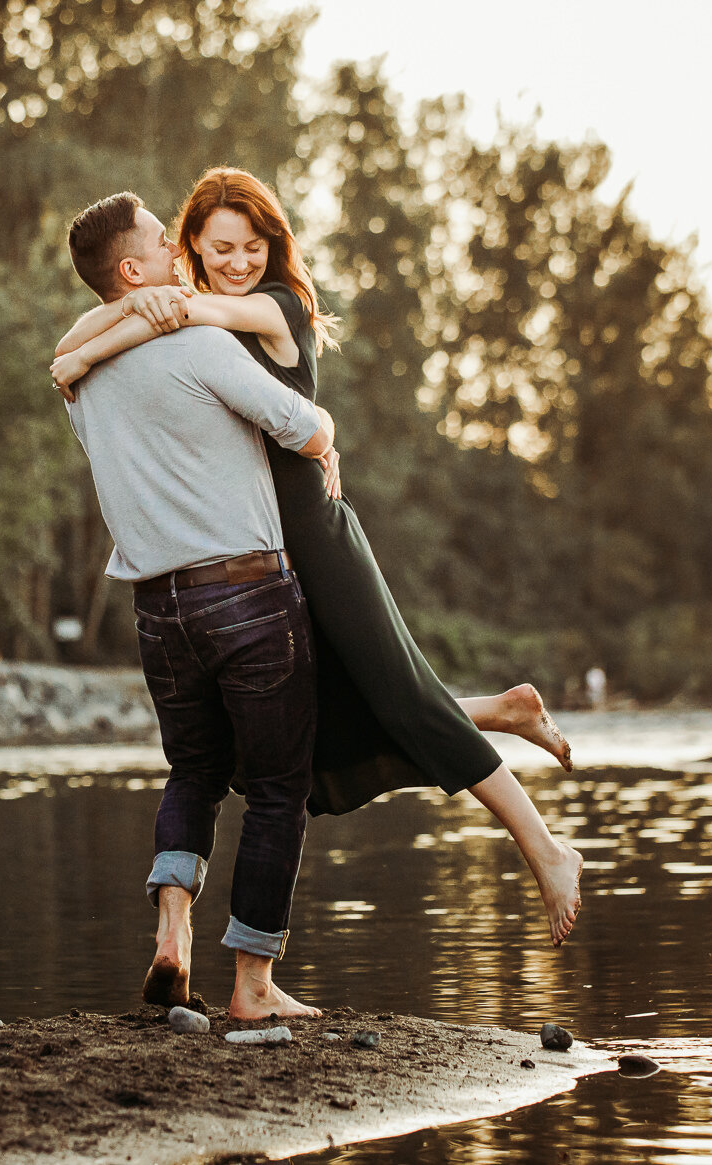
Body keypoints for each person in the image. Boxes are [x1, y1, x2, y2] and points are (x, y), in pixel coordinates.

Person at [53, 167, 585, 947]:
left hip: (314, 536)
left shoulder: (272, 305)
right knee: (330, 724)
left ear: (274, 245)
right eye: (218, 246)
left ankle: (545, 848)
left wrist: (97, 341)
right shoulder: (191, 322)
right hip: (259, 556)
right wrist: (115, 318)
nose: (239, 259)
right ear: (193, 247)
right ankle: (505, 710)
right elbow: (87, 334)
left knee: (402, 701)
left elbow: (140, 329)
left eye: (255, 243)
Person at [62, 190, 341, 1019]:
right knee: (279, 788)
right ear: (132, 269)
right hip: (247, 591)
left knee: (193, 768)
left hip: (156, 607)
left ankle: (173, 930)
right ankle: (253, 984)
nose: (174, 247)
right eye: (160, 238)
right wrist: (326, 432)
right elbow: (300, 424)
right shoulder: (202, 343)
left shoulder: (82, 379)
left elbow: (68, 352)